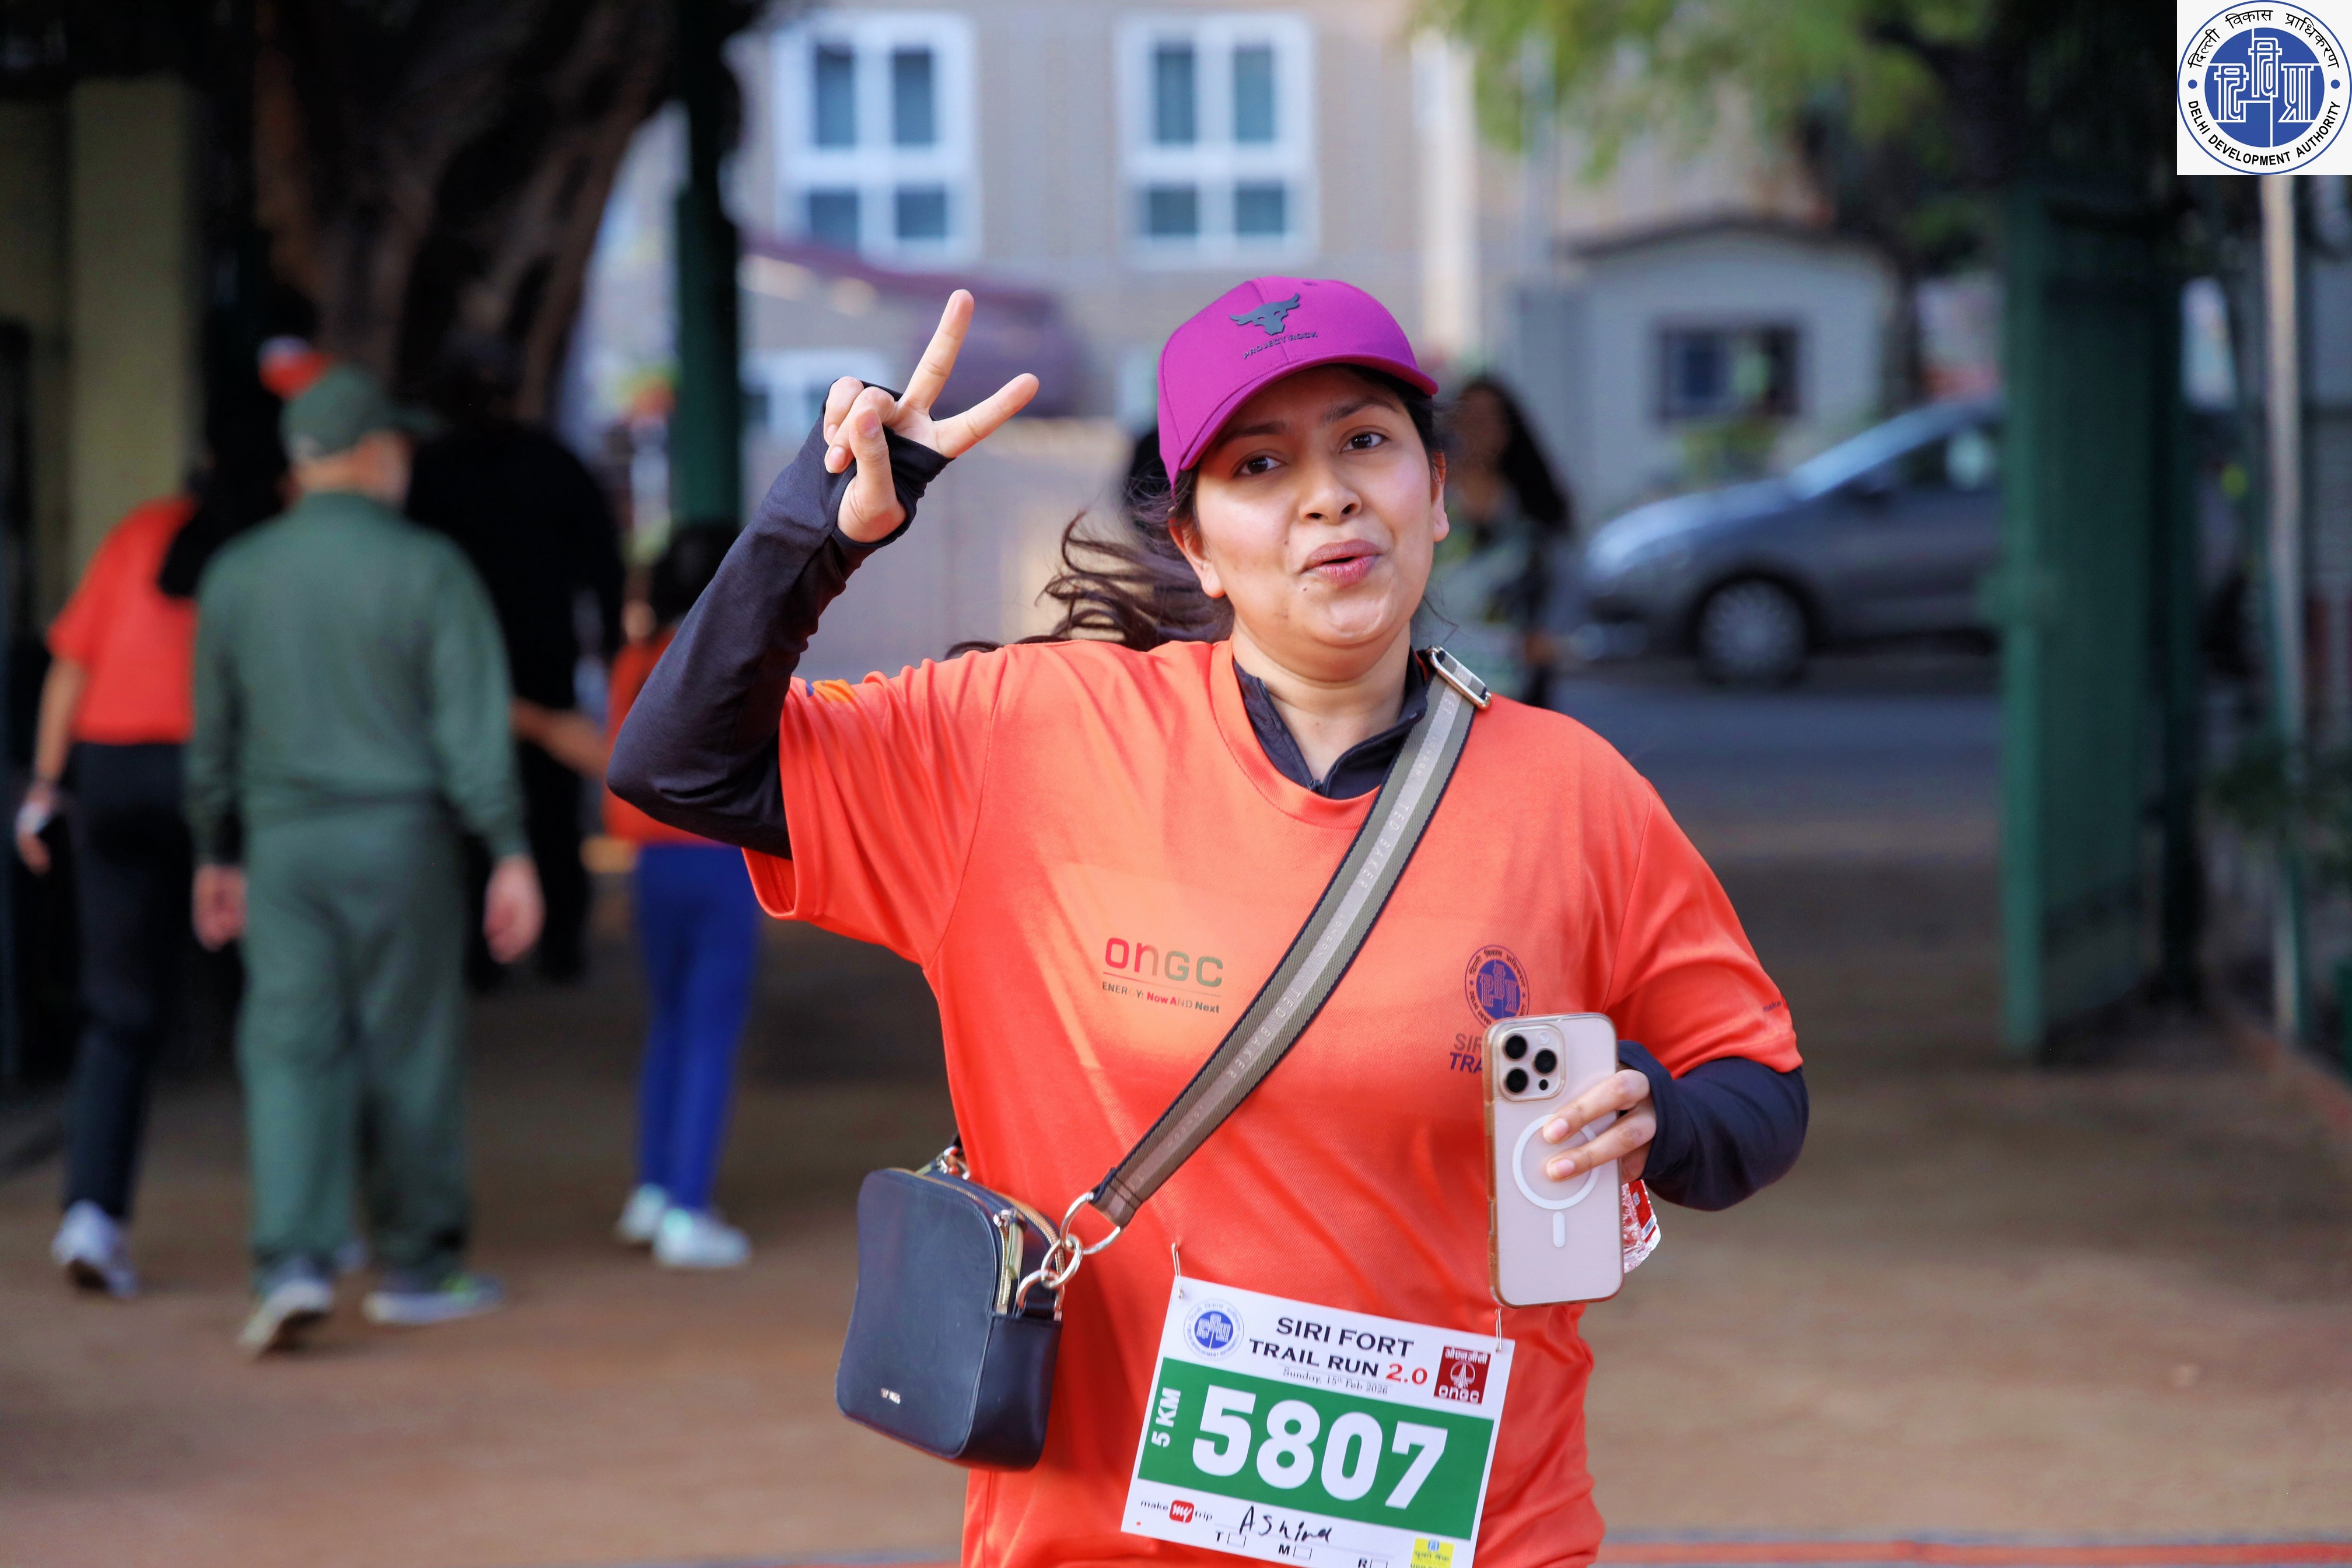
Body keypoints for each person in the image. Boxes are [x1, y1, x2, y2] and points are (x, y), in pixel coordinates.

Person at [611, 283, 1807, 1567]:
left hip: (1480, 1533)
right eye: (1260, 466)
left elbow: (1758, 1087)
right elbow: (679, 766)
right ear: (1194, 545)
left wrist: (1661, 1120)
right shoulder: (1025, 739)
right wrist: (820, 529)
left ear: (1437, 492)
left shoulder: (1575, 796)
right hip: (1100, 1542)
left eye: (1365, 442)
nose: (1328, 497)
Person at [187, 363, 545, 1355]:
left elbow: (211, 732)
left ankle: (293, 1262)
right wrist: (508, 847)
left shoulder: (239, 573)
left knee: (289, 1048)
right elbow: (471, 725)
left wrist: (215, 849)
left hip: (282, 846)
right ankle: (418, 1264)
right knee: (408, 1047)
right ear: (375, 452)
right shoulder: (429, 567)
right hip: (401, 840)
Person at [20, 397, 286, 1298]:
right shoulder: (270, 552)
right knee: (276, 1012)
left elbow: (71, 662)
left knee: (118, 1009)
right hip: (222, 780)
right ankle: (300, 1227)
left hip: (112, 778)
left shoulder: (140, 532)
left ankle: (92, 1217)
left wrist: (45, 787)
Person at [513, 524, 762, 1270]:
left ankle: (654, 1190)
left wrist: (536, 723)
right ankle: (687, 1208)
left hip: (653, 866)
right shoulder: (739, 655)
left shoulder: (638, 659)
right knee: (709, 1034)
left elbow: (620, 758)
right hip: (722, 863)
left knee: (672, 1027)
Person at [407, 338, 626, 985]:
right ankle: (559, 946)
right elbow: (604, 564)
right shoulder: (552, 461)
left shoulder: (432, 469)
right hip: (542, 657)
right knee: (551, 803)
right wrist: (610, 644)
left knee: (469, 798)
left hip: (459, 667)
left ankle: (485, 954)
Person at [1429, 375, 1574, 708]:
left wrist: (1550, 633)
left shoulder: (1533, 505)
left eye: (1488, 419)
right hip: (1436, 664)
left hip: (1514, 670)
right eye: (1468, 418)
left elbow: (1565, 578)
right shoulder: (1426, 495)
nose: (1478, 430)